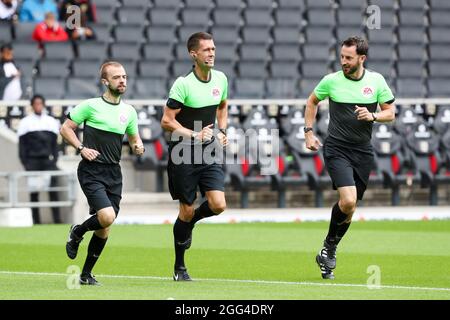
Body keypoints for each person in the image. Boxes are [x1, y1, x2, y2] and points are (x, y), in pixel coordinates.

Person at [304, 36, 395, 280]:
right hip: (336, 148)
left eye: (348, 58)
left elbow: (391, 113)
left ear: (361, 58)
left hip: (363, 151)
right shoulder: (331, 81)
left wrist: (373, 116)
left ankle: (327, 251)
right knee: (348, 199)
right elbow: (312, 101)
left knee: (350, 207)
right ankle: (330, 246)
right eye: (342, 56)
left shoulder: (376, 81)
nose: (343, 61)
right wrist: (309, 132)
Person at [60, 61, 145, 285]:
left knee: (105, 226)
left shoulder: (129, 111)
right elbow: (65, 128)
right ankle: (77, 232)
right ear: (105, 81)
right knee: (107, 216)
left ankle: (86, 275)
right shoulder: (90, 106)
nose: (122, 80)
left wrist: (138, 146)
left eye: (124, 77)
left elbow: (135, 139)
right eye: (117, 77)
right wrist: (81, 148)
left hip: (114, 173)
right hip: (91, 170)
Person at [161, 32, 229, 281]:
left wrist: (222, 130)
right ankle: (179, 267)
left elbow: (222, 105)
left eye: (213, 49)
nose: (211, 53)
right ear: (194, 54)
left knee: (218, 205)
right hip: (183, 152)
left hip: (208, 149)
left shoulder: (220, 78)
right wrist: (193, 134)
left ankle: (190, 225)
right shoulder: (183, 85)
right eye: (206, 50)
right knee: (186, 210)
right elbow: (167, 121)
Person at [17, 94, 61, 224]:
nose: (38, 106)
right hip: (33, 162)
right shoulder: (25, 122)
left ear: (43, 105)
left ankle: (57, 220)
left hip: (48, 161)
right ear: (32, 106)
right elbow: (22, 146)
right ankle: (36, 221)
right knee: (34, 192)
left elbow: (55, 145)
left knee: (53, 190)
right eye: (36, 103)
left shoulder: (51, 121)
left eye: (40, 103)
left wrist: (54, 160)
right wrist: (26, 163)